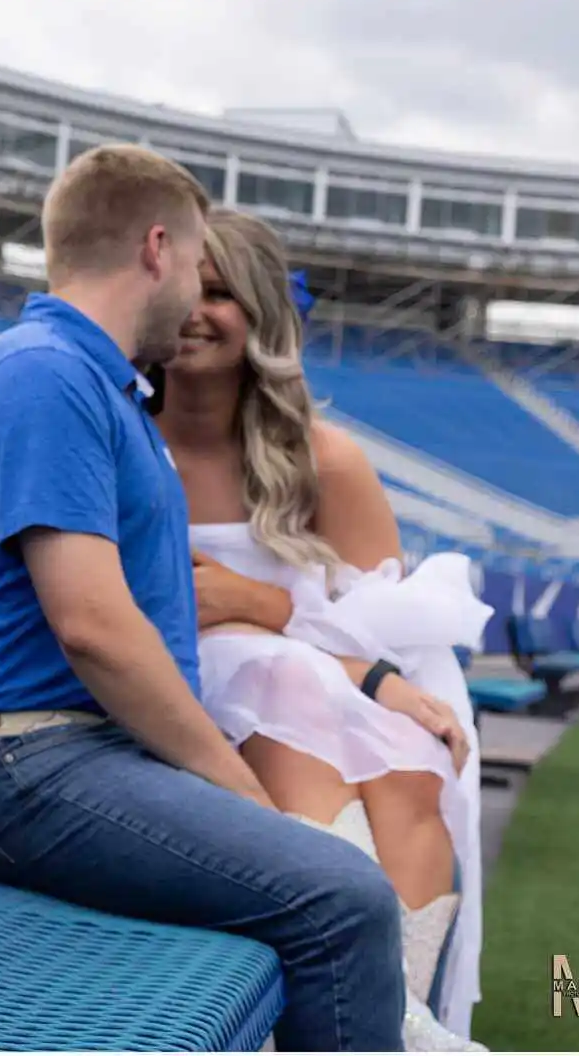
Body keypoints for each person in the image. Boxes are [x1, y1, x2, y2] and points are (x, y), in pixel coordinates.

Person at [0, 143, 407, 1052]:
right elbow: (93, 627)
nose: (191, 297)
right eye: (194, 263)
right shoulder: (45, 373)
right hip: (28, 767)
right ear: (156, 248)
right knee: (343, 900)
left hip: (71, 758)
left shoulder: (91, 383)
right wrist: (236, 790)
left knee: (324, 884)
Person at [144, 207, 491, 1049]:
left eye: (222, 293)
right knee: (284, 688)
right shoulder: (124, 442)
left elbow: (378, 640)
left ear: (262, 315)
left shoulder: (325, 462)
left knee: (414, 762)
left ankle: (392, 1006)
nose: (197, 310)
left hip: (337, 677)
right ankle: (372, 1014)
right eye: (188, 285)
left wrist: (259, 606)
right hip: (177, 687)